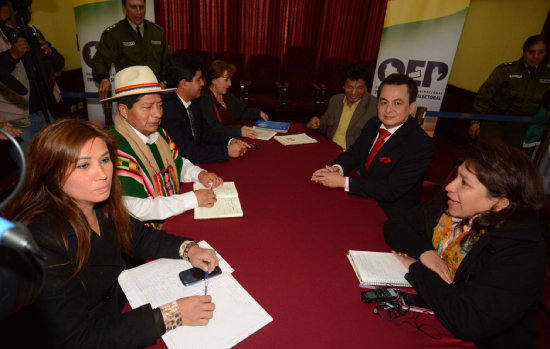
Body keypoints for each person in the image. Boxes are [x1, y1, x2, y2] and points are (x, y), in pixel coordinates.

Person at [4, 118, 219, 348]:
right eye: (84, 165)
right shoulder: (42, 241)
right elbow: (76, 340)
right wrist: (171, 315)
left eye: (105, 160)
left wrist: (189, 249)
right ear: (52, 172)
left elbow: (137, 236)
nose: (103, 174)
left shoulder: (98, 203)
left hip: (114, 311)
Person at [384, 141, 549, 348]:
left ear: (501, 202)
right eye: (457, 176)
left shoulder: (520, 252)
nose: (449, 187)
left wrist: (416, 267)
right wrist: (425, 253)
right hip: (436, 313)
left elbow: (467, 320)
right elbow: (395, 224)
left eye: (465, 183)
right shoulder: (451, 207)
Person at [103, 65, 222, 228]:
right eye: (148, 107)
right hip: (139, 240)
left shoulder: (158, 133)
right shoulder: (112, 149)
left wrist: (199, 174)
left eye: (160, 105)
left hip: (171, 218)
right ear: (124, 110)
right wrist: (191, 199)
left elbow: (178, 163)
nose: (158, 113)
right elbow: (137, 208)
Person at [311, 73, 434, 218]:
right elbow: (355, 152)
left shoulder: (420, 144)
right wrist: (337, 168)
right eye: (383, 102)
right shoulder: (373, 124)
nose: (388, 110)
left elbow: (391, 189)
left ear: (411, 107)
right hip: (363, 198)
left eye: (397, 103)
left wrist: (342, 181)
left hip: (391, 215)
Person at [162, 51, 250, 163]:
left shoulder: (193, 102)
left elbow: (206, 132)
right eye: (198, 80)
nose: (203, 84)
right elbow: (187, 152)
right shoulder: (168, 110)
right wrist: (226, 151)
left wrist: (230, 141)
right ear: (184, 83)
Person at [0, 0, 64, 153]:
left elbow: (60, 64)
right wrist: (12, 55)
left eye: (29, 5)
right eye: (24, 5)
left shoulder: (31, 31)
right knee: (32, 169)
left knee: (57, 162)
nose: (29, 10)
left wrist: (49, 52)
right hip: (17, 121)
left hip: (46, 111)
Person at [469, 34, 550, 148]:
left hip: (519, 127)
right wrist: (475, 121)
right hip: (495, 122)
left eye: (540, 52)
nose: (535, 56)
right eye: (531, 52)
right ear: (524, 51)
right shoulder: (506, 70)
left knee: (509, 160)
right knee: (486, 154)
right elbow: (484, 95)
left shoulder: (547, 75)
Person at [92, 0, 172, 99]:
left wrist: (164, 82)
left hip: (157, 92)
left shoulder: (156, 32)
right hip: (129, 95)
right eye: (133, 7)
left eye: (142, 7)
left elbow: (169, 61)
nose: (139, 12)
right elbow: (100, 60)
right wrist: (103, 78)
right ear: (124, 8)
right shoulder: (114, 34)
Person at [307, 63, 377, 150]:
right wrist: (317, 123)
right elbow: (324, 125)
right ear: (343, 86)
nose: (353, 93)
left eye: (359, 88)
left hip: (351, 155)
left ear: (366, 88)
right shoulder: (335, 100)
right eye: (349, 87)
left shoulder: (374, 106)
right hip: (329, 148)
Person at [198, 59, 269, 139]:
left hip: (232, 138)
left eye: (230, 79)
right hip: (216, 144)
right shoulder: (204, 98)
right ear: (214, 80)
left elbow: (241, 111)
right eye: (226, 80)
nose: (230, 84)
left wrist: (258, 113)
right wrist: (239, 131)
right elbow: (213, 128)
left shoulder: (226, 94)